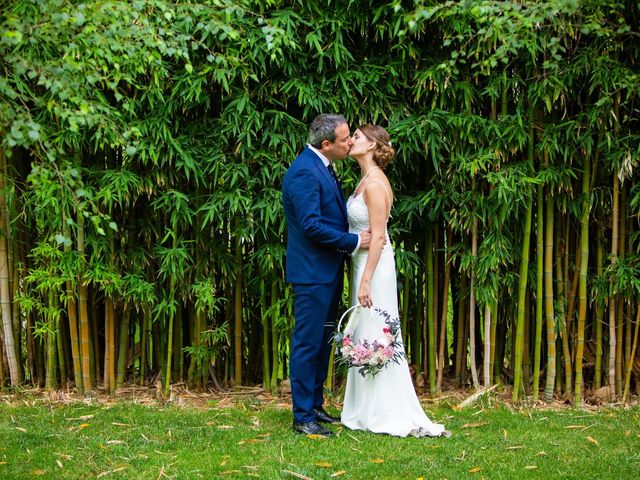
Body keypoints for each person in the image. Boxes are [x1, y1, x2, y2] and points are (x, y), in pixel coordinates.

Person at [340, 124, 450, 438]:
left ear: (374, 145)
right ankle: (363, 409)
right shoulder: (364, 180)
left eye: (358, 136)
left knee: (376, 328)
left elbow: (378, 238)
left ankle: (383, 411)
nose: (352, 140)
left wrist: (366, 281)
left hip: (374, 267)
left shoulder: (375, 184)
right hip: (362, 263)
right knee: (365, 329)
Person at [282, 114, 372, 437]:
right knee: (308, 343)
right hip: (312, 275)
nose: (350, 143)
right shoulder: (305, 172)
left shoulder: (323, 166)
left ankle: (315, 405)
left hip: (326, 272)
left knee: (322, 342)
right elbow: (311, 226)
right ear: (326, 144)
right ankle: (302, 416)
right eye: (345, 139)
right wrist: (354, 241)